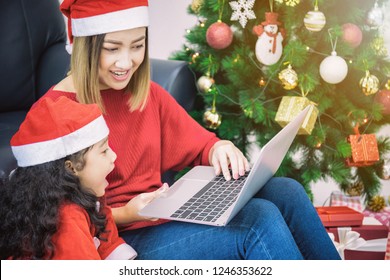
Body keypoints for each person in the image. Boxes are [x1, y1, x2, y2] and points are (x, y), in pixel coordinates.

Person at [38, 0, 340, 260]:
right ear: (85, 47)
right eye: (112, 48)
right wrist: (128, 213)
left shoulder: (147, 94)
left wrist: (218, 148)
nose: (126, 62)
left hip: (161, 218)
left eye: (138, 46)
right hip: (118, 241)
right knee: (257, 221)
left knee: (286, 191)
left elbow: (199, 144)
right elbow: (53, 218)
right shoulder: (54, 115)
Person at [0, 96, 149, 259]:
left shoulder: (88, 192)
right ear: (71, 168)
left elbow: (108, 240)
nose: (113, 156)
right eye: (103, 151)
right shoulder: (66, 221)